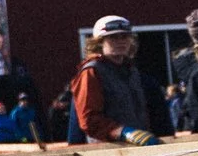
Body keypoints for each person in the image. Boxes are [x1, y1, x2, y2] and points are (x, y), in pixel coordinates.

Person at [67, 15, 169, 146]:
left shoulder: (132, 72)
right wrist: (122, 132)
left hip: (138, 146)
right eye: (113, 38)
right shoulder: (91, 72)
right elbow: (89, 119)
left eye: (124, 37)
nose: (121, 41)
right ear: (99, 42)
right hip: (106, 150)